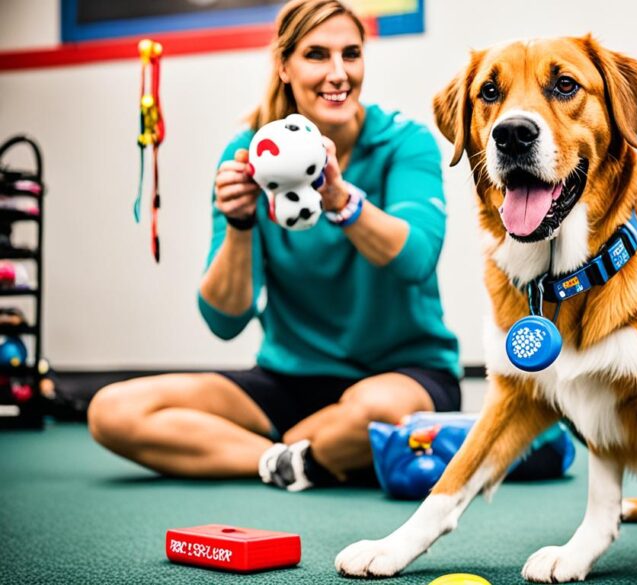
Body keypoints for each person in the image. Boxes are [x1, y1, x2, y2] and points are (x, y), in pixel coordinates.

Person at [88, 0, 461, 492]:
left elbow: (416, 259)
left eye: (351, 54)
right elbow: (224, 320)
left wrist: (339, 198)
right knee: (112, 410)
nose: (337, 73)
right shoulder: (249, 155)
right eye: (316, 55)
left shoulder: (405, 142)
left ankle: (288, 449)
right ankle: (290, 459)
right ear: (284, 66)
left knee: (378, 413)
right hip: (289, 379)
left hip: (401, 374)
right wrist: (240, 223)